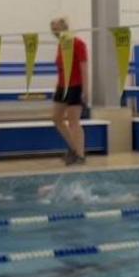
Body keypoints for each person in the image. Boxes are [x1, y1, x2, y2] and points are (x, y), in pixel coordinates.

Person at [50, 17, 88, 166]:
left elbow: (84, 68)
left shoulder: (78, 44)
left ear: (64, 28)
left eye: (56, 29)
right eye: (53, 30)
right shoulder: (61, 45)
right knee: (56, 118)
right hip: (62, 86)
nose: (54, 32)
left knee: (73, 122)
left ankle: (80, 155)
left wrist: (85, 89)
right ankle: (74, 150)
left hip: (75, 86)